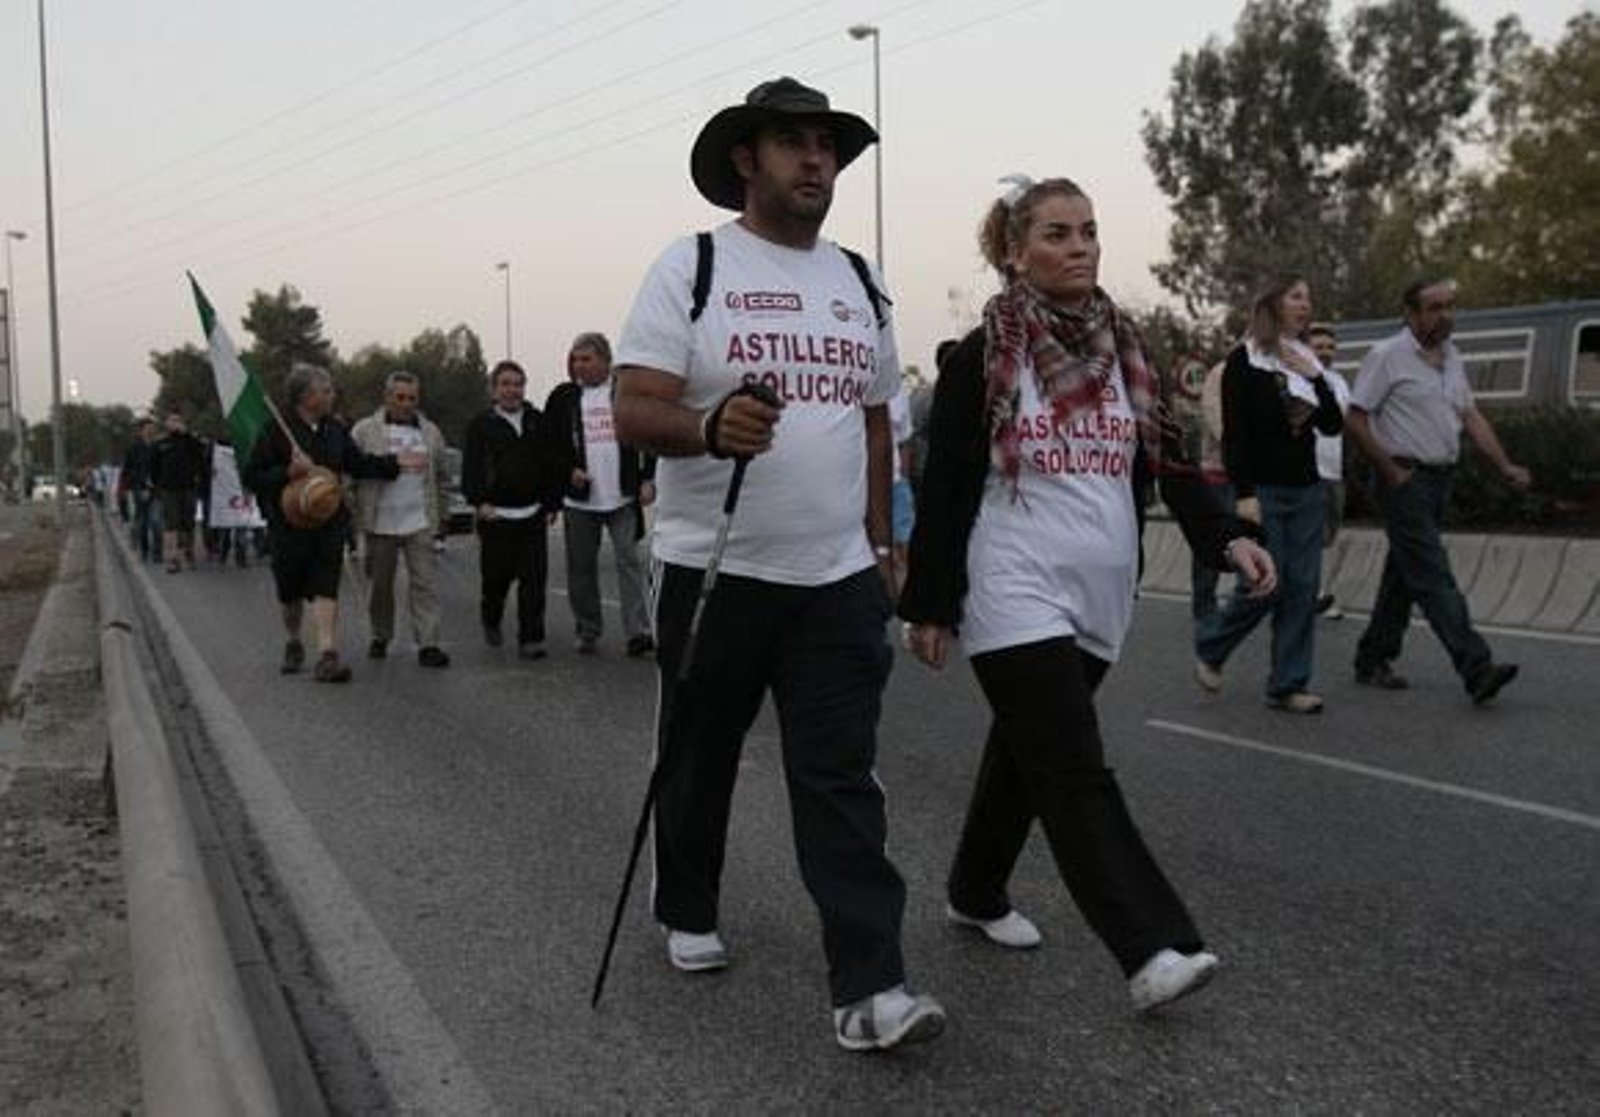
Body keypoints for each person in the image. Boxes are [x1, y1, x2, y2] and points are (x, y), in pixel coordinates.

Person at [613, 76, 943, 1052]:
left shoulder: (858, 278)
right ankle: (686, 903)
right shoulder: (693, 267)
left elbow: (877, 416)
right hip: (712, 568)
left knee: (840, 777)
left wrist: (885, 543)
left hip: (836, 578)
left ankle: (872, 986)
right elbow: (635, 405)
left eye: (828, 146)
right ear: (746, 159)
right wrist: (709, 425)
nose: (816, 161)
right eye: (794, 143)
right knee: (700, 754)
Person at [898, 175, 1275, 1015]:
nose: (1078, 248)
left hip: (1102, 585)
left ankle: (975, 889)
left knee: (1028, 755)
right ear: (1014, 251)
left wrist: (1227, 536)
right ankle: (1152, 945)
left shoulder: (1126, 354)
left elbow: (1172, 464)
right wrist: (929, 600)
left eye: (1088, 232)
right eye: (1057, 234)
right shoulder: (984, 356)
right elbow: (950, 479)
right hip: (1011, 577)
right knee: (1072, 763)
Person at [1345, 277, 1529, 704]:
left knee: (1404, 575)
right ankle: (1476, 667)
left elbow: (1470, 416)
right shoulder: (1386, 356)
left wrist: (1504, 465)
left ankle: (1372, 656)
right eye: (1434, 307)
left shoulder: (1452, 357)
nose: (1445, 315)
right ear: (1410, 314)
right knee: (1431, 575)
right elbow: (1355, 418)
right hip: (1404, 480)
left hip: (1438, 481)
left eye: (1449, 306)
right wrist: (1390, 470)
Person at [1193, 275, 1343, 713]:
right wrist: (1243, 493)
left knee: (1302, 587)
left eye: (1308, 297)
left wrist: (1317, 380)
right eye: (1296, 296)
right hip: (1263, 490)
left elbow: (1332, 424)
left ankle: (1288, 683)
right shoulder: (1244, 361)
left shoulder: (1306, 360)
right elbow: (1235, 435)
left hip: (1307, 490)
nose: (1305, 305)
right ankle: (1212, 644)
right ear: (1274, 303)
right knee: (1264, 584)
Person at [243, 363, 412, 683]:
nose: (332, 395)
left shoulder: (335, 430)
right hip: (288, 526)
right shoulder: (274, 431)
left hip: (329, 522)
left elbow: (356, 462)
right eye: (327, 390)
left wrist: (393, 465)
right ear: (307, 396)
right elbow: (252, 476)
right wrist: (287, 473)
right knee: (290, 593)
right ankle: (293, 640)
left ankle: (327, 654)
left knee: (326, 585)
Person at [543, 332, 657, 657]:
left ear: (606, 361)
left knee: (629, 562)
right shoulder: (563, 398)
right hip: (580, 500)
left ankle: (637, 632)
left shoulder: (625, 392)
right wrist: (569, 470)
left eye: (587, 359)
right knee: (581, 567)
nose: (579, 366)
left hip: (622, 496)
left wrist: (649, 477)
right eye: (575, 359)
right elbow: (549, 446)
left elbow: (648, 432)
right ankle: (588, 629)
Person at [350, 371, 452, 668]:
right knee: (380, 585)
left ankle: (429, 643)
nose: (406, 404)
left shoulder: (430, 432)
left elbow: (442, 477)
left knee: (425, 584)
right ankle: (380, 634)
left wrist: (442, 516)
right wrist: (351, 511)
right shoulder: (365, 431)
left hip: (419, 519)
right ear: (387, 398)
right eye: (400, 397)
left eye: (412, 398)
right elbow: (350, 473)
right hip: (380, 520)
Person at [461, 359, 560, 660]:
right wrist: (479, 502)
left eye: (517, 384)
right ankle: (491, 618)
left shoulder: (538, 421)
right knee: (496, 579)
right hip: (496, 517)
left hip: (532, 515)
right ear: (494, 390)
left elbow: (552, 465)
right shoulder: (480, 426)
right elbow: (471, 470)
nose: (512, 390)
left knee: (533, 581)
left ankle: (531, 638)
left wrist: (552, 503)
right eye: (505, 384)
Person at [1306, 323, 1351, 620]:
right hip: (1308, 472)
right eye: (1319, 346)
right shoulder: (1298, 379)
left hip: (1334, 471)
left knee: (1327, 537)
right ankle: (1314, 595)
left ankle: (1307, 591)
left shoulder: (1340, 382)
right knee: (1311, 535)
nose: (1325, 352)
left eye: (1330, 347)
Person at [152, 409, 207, 573]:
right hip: (169, 490)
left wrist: (188, 434)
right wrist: (158, 485)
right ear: (166, 423)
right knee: (171, 525)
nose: (175, 423)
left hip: (188, 488)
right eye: (172, 420)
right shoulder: (161, 443)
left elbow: (201, 456)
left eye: (178, 420)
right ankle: (172, 559)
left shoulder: (190, 440)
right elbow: (154, 467)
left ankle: (189, 553)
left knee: (188, 523)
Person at [122, 417, 161, 562]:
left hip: (156, 491)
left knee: (157, 522)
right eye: (148, 428)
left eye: (153, 428)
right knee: (142, 523)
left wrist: (157, 483)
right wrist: (135, 484)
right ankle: (144, 551)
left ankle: (157, 551)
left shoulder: (158, 447)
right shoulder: (133, 449)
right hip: (138, 490)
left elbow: (162, 468)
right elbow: (127, 470)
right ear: (141, 431)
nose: (151, 431)